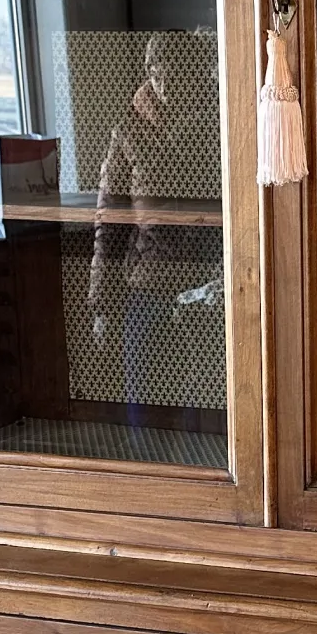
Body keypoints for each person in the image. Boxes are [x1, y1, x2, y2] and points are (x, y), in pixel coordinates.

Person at [88, 33, 199, 426]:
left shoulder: (214, 125)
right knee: (145, 403)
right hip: (147, 288)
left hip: (206, 289)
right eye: (156, 69)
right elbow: (109, 221)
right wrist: (101, 306)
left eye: (176, 70)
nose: (166, 79)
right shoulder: (128, 131)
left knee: (203, 411)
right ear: (147, 72)